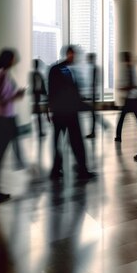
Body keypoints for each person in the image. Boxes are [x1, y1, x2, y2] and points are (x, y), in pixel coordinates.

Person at [0, 49, 26, 205]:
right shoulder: (1, 74)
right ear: (7, 60)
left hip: (3, 119)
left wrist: (14, 95)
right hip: (1, 120)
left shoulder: (2, 74)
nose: (14, 61)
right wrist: (17, 95)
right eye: (12, 59)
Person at [48, 46, 97, 181]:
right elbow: (53, 91)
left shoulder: (69, 70)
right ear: (69, 54)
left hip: (70, 112)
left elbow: (73, 93)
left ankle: (78, 169)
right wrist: (51, 109)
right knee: (64, 141)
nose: (76, 57)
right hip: (62, 112)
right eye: (74, 54)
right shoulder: (57, 69)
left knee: (73, 141)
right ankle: (60, 169)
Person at [114, 51, 137, 142]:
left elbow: (131, 84)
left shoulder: (129, 68)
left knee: (122, 118)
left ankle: (118, 136)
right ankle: (118, 136)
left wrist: (123, 88)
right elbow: (132, 84)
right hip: (131, 98)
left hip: (130, 98)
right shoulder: (130, 68)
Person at [31, 58, 48, 138]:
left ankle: (40, 131)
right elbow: (41, 86)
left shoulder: (33, 74)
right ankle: (40, 131)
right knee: (39, 114)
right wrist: (45, 94)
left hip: (35, 95)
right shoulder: (38, 74)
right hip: (37, 95)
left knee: (38, 114)